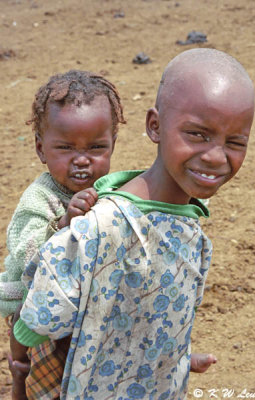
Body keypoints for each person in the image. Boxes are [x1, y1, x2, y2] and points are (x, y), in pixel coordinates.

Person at [12, 47, 255, 399]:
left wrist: (174, 359)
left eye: (235, 142)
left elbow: (153, 321)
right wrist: (20, 361)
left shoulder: (194, 232)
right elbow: (34, 327)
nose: (217, 156)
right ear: (154, 126)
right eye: (198, 134)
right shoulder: (96, 228)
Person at [1, 69, 126, 399]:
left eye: (97, 147)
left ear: (113, 144)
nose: (82, 160)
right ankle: (19, 376)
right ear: (41, 150)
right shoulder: (39, 198)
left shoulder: (110, 190)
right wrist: (63, 227)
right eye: (66, 148)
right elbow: (27, 254)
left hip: (88, 299)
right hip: (40, 297)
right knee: (36, 369)